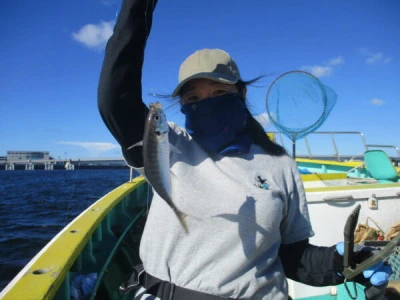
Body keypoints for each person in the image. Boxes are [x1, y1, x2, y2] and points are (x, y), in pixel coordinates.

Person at [98, 0, 392, 299]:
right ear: (183, 106)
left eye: (219, 92)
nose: (207, 103)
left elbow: (293, 257)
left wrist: (341, 262)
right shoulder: (170, 144)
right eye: (193, 97)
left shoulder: (279, 165)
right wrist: (137, 7)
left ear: (241, 93)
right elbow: (115, 99)